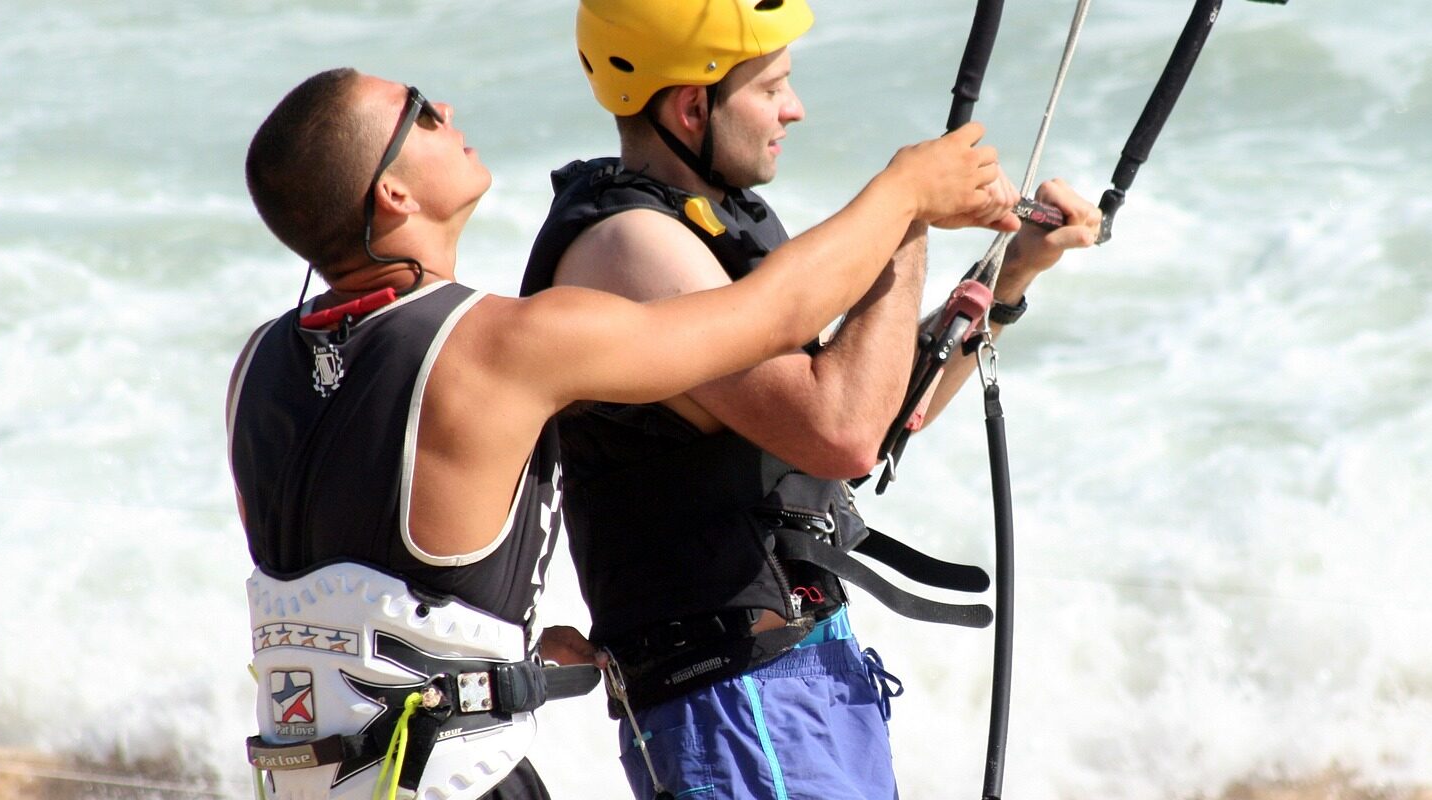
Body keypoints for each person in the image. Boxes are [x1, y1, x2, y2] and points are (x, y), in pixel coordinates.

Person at [228, 66, 1014, 800]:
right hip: (459, 778)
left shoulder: (257, 366)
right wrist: (904, 193)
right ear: (393, 192)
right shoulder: (499, 344)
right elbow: (774, 315)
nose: (450, 113)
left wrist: (496, 656)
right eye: (424, 113)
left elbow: (356, 584)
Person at [518, 1, 1103, 797]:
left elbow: (872, 412)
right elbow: (840, 431)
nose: (795, 109)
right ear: (694, 105)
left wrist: (1009, 277)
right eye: (775, 87)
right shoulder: (626, 246)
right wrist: (905, 210)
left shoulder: (720, 224)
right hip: (730, 697)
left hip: (808, 671)